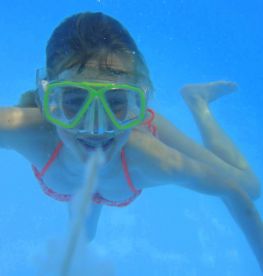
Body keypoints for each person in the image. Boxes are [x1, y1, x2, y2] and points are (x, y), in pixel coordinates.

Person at [0, 12, 262, 271]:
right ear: (47, 101)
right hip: (88, 182)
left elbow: (231, 189)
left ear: (138, 104)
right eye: (74, 101)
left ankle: (198, 102)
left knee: (250, 188)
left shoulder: (154, 159)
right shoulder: (23, 129)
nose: (96, 127)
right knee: (84, 237)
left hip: (137, 141)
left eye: (115, 102)